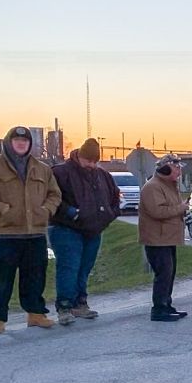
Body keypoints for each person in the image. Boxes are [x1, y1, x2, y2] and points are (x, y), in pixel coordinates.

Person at [0, 126, 62, 334]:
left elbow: (55, 194)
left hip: (35, 233)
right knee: (0, 278)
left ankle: (36, 314)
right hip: (5, 233)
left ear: (30, 144)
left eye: (25, 141)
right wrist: (1, 209)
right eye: (17, 141)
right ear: (9, 143)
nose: (21, 144)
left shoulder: (42, 168)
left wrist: (46, 210)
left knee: (35, 276)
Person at [48, 138, 120, 325]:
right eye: (88, 161)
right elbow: (49, 198)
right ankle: (64, 306)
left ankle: (80, 303)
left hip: (93, 230)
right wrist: (70, 213)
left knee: (84, 269)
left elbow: (114, 197)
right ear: (79, 156)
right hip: (66, 229)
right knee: (68, 267)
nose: (91, 165)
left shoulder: (103, 176)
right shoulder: (60, 173)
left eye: (95, 162)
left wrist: (109, 215)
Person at [138, 154, 190, 322]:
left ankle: (166, 304)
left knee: (170, 273)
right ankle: (158, 309)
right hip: (157, 239)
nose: (179, 171)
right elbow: (157, 212)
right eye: (176, 168)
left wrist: (182, 209)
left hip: (168, 238)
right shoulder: (153, 187)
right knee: (164, 274)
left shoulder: (169, 185)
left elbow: (172, 208)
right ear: (165, 168)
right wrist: (180, 208)